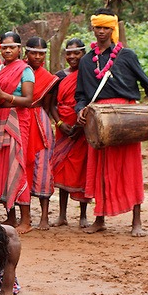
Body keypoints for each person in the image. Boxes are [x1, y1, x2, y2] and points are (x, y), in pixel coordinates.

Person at [75, 10, 148, 236]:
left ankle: (136, 221)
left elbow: (146, 82)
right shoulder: (85, 61)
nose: (102, 32)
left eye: (106, 28)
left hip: (126, 117)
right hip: (98, 119)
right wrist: (80, 110)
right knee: (100, 171)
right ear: (93, 29)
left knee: (130, 169)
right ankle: (99, 218)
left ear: (114, 30)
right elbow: (81, 94)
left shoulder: (127, 55)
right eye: (98, 27)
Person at [0, 31, 34, 233]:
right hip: (0, 119)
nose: (8, 50)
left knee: (18, 166)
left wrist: (5, 95)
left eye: (12, 47)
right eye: (4, 47)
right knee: (3, 167)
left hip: (18, 120)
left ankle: (26, 219)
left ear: (19, 49)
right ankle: (10, 216)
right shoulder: (0, 69)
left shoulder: (25, 70)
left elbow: (28, 100)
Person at [49, 39, 92, 228]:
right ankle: (62, 214)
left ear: (84, 54)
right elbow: (51, 105)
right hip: (63, 127)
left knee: (82, 169)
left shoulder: (89, 76)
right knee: (61, 169)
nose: (72, 57)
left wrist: (81, 125)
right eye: (69, 53)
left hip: (83, 127)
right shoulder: (59, 76)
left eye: (77, 53)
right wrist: (59, 123)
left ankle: (83, 215)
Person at [24, 37, 59, 230]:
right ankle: (25, 215)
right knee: (24, 166)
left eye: (41, 53)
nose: (37, 57)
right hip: (20, 119)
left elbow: (48, 106)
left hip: (40, 121)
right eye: (33, 53)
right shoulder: (18, 71)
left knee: (43, 167)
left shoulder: (49, 78)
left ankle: (44, 217)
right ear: (26, 53)